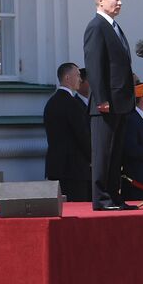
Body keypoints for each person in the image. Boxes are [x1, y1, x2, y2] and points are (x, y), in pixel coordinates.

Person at [83, 0, 136, 210]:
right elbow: (94, 66)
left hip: (120, 102)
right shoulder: (96, 26)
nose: (120, 2)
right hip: (105, 103)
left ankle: (114, 197)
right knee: (103, 153)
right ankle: (102, 198)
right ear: (100, 1)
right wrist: (102, 98)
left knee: (116, 154)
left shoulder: (114, 26)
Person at [43, 61, 91, 202]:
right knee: (77, 210)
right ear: (67, 78)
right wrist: (93, 157)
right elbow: (82, 135)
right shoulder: (72, 103)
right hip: (74, 169)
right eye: (77, 75)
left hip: (56, 167)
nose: (80, 79)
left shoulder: (51, 103)